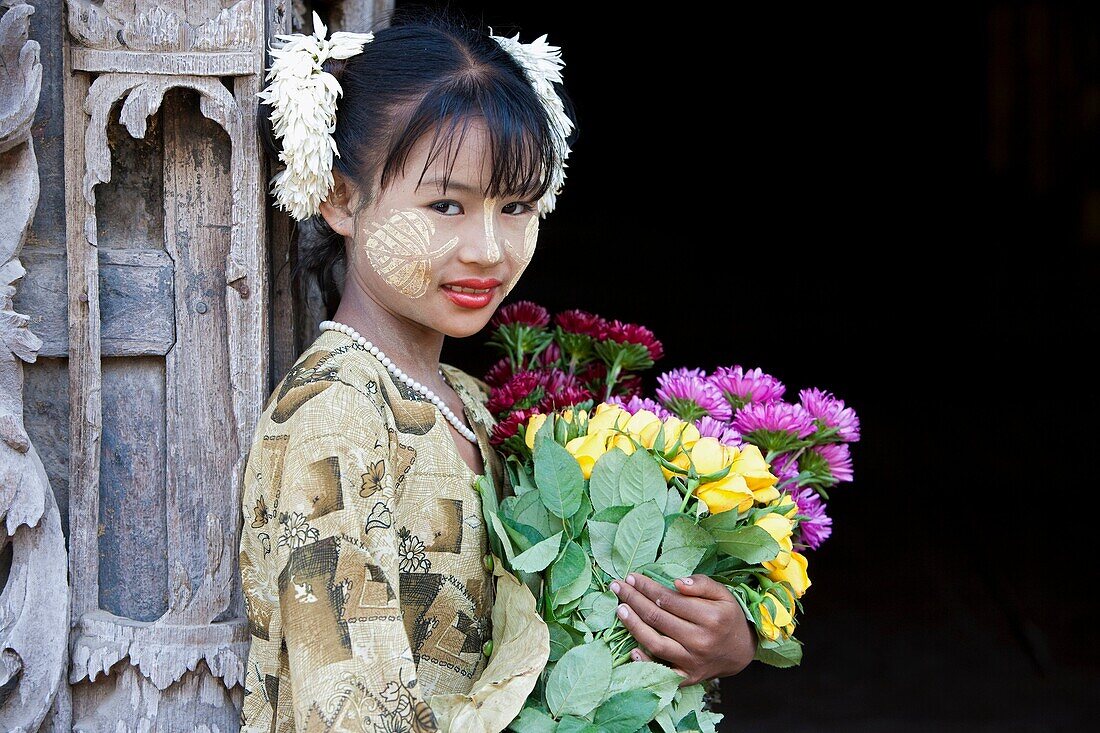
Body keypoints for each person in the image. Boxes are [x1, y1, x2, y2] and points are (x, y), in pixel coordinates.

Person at [238, 9, 754, 732]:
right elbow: (349, 713)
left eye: (516, 206)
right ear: (340, 197)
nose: (488, 248)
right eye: (446, 204)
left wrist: (714, 636)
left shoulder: (472, 404)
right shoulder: (337, 416)